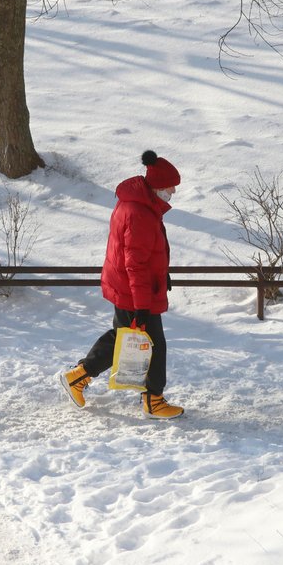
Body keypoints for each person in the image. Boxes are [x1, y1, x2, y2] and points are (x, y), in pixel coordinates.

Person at [59, 150, 184, 419]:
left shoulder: (140, 204)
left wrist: (160, 274)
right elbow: (135, 264)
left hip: (130, 286)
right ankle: (154, 400)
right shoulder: (140, 212)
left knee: (123, 337)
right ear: (157, 186)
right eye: (170, 186)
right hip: (134, 290)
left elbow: (143, 255)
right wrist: (141, 306)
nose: (173, 191)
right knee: (153, 343)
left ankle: (77, 377)